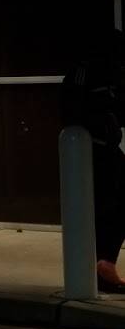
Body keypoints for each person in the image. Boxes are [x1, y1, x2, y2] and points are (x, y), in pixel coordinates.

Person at [61, 28, 125, 294]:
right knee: (101, 209)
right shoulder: (84, 71)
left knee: (114, 207)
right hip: (89, 152)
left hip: (108, 148)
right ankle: (100, 268)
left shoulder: (113, 73)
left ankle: (104, 264)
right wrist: (101, 118)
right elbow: (71, 110)